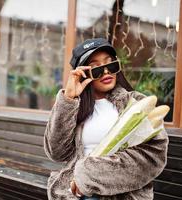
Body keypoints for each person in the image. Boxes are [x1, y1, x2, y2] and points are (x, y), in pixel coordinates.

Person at [44, 38, 168, 200]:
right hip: (76, 194)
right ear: (83, 74)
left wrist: (88, 175)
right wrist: (68, 99)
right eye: (96, 69)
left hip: (122, 195)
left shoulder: (137, 103)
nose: (106, 72)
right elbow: (57, 153)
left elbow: (153, 156)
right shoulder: (75, 107)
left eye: (111, 65)